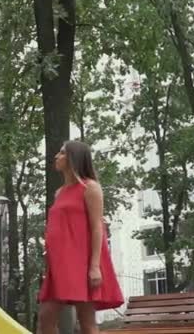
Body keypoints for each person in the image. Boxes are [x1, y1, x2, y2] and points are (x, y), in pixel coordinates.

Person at [37, 141, 123, 334]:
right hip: (59, 263)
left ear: (73, 159)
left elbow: (97, 228)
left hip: (82, 262)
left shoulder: (90, 188)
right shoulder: (59, 193)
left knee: (86, 321)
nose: (56, 157)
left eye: (61, 153)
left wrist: (94, 267)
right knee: (45, 315)